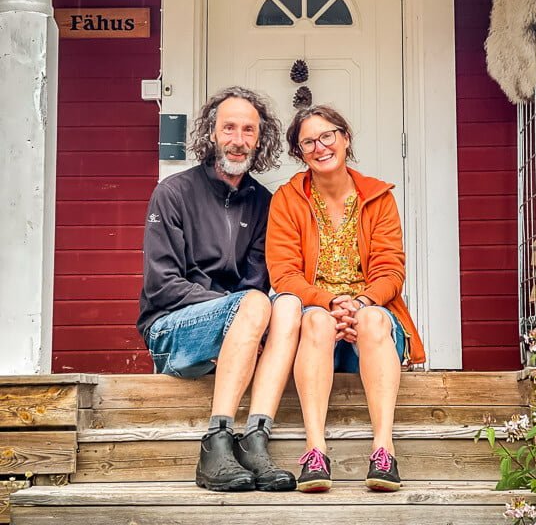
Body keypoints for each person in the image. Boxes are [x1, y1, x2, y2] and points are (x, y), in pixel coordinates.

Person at [137, 87, 301, 493]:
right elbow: (163, 285)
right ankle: (215, 442)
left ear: (259, 139)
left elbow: (257, 280)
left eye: (249, 130)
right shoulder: (173, 193)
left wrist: (249, 318)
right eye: (229, 127)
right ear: (212, 133)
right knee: (254, 303)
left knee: (288, 305)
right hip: (172, 333)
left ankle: (255, 440)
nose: (238, 139)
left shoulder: (264, 203)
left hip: (240, 330)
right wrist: (238, 312)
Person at [266, 105, 425, 493]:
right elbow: (283, 274)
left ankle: (383, 451)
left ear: (345, 138)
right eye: (308, 142)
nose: (320, 147)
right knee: (316, 320)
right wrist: (329, 301)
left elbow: (391, 270)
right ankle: (315, 452)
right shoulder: (287, 200)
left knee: (373, 321)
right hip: (316, 326)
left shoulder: (378, 197)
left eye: (327, 136)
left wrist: (364, 302)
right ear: (299, 153)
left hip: (369, 323)